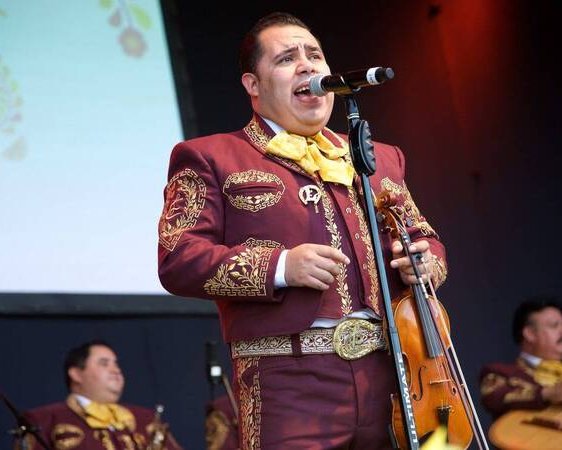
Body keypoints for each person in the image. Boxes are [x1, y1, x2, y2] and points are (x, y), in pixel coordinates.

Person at [158, 12, 447, 450]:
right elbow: (178, 260)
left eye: (314, 55)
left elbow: (429, 240)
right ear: (253, 85)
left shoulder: (380, 158)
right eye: (287, 58)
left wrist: (425, 263)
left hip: (393, 372)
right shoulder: (210, 156)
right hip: (286, 380)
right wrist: (280, 266)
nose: (308, 66)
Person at [16, 340, 182, 450]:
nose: (115, 370)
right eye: (104, 364)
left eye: (116, 364)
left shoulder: (145, 419)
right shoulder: (44, 420)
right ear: (76, 374)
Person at [480, 297, 562, 419]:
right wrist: (547, 393)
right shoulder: (500, 372)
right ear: (530, 334)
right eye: (554, 326)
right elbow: (493, 397)